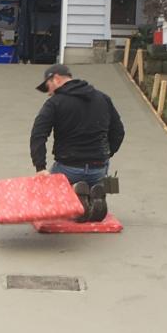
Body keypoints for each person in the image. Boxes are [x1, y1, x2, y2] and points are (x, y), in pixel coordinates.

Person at [29, 64, 124, 222]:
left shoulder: (55, 103)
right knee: (98, 175)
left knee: (49, 196)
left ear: (57, 79)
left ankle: (74, 194)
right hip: (99, 167)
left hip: (69, 167)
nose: (49, 92)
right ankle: (94, 193)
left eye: (48, 87)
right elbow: (119, 131)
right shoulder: (102, 98)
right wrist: (107, 154)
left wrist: (40, 167)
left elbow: (38, 135)